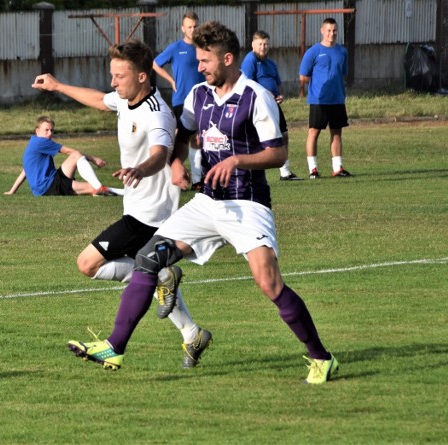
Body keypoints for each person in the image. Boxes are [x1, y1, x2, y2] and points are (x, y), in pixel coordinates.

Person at [67, 21, 338, 384]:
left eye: (205, 60)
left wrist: (237, 160)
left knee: (270, 285)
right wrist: (177, 162)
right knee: (149, 258)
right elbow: (183, 136)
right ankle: (115, 346)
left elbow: (278, 152)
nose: (199, 67)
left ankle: (322, 357)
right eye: (197, 60)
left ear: (227, 58)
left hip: (248, 204)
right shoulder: (198, 95)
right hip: (207, 203)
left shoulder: (255, 96)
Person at [32, 39, 211, 369]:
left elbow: (161, 153)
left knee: (88, 263)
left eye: (120, 76)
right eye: (112, 75)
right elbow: (101, 101)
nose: (113, 82)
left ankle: (160, 282)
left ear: (142, 77)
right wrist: (57, 86)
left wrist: (141, 169)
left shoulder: (157, 114)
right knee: (147, 272)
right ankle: (192, 333)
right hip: (137, 209)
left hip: (150, 215)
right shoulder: (127, 99)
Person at [4, 116, 123, 196]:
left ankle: (99, 187)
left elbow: (25, 171)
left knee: (77, 158)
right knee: (92, 188)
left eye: (52, 130)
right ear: (37, 130)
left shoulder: (33, 143)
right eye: (46, 130)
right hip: (49, 186)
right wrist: (93, 158)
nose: (50, 133)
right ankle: (104, 188)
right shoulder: (41, 142)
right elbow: (69, 151)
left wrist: (12, 191)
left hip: (50, 181)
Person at [153, 11, 206, 191]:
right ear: (183, 28)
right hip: (181, 100)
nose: (192, 29)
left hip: (202, 99)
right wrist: (170, 80)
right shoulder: (176, 48)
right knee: (179, 139)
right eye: (189, 27)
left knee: (198, 139)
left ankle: (197, 179)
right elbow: (155, 63)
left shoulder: (204, 47)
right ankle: (170, 177)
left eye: (195, 26)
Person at [241, 30, 301, 181]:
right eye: (260, 44)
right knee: (258, 140)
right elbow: (246, 85)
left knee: (284, 135)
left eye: (266, 44)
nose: (263, 47)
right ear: (253, 45)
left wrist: (278, 96)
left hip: (273, 105)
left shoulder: (271, 64)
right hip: (258, 106)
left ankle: (285, 172)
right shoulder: (250, 60)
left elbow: (275, 85)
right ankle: (249, 173)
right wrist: (265, 95)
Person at [299, 17, 352, 179]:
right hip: (318, 101)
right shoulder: (313, 52)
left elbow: (342, 73)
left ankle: (337, 168)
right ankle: (313, 169)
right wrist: (318, 85)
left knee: (336, 133)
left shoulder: (342, 52)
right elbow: (303, 76)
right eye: (328, 30)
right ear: (322, 31)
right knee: (314, 132)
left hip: (337, 99)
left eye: (334, 30)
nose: (332, 34)